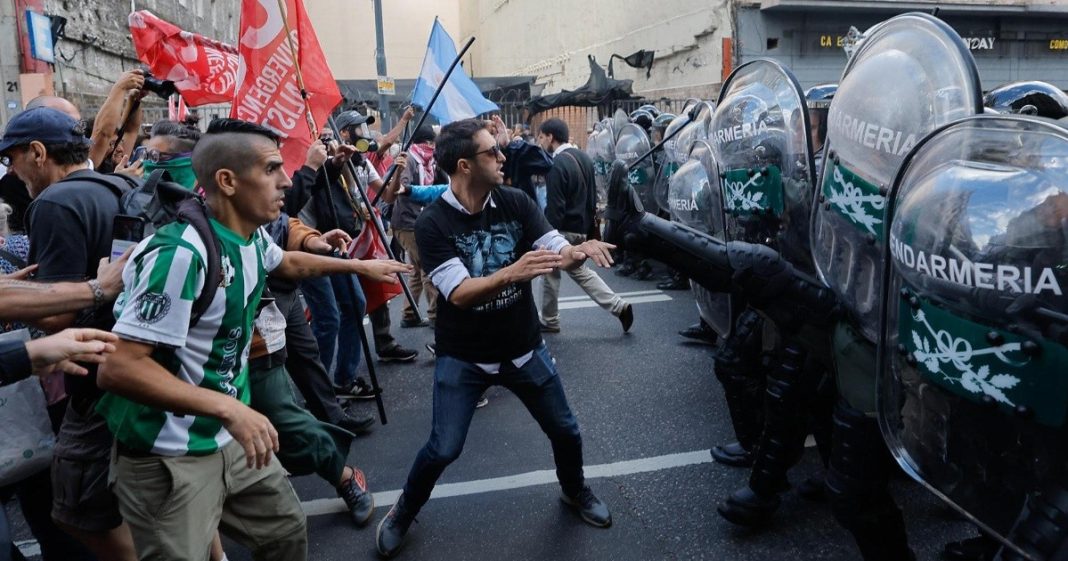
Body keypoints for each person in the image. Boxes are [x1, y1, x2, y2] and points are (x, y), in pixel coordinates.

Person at [96, 118, 410, 560]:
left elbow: (287, 263)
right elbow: (119, 367)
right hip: (166, 455)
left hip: (229, 440)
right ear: (226, 181)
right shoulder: (181, 254)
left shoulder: (250, 236)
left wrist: (359, 267)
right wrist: (230, 409)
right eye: (271, 170)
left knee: (284, 531)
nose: (286, 182)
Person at [375, 118, 616, 559]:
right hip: (464, 357)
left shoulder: (515, 200)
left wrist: (573, 252)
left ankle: (574, 490)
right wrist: (513, 271)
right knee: (444, 447)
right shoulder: (433, 223)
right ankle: (404, 510)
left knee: (566, 431)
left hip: (524, 349)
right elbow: (460, 293)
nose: (503, 157)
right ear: (464, 165)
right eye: (492, 152)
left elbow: (552, 243)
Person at [0, 106, 138, 560]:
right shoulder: (122, 184)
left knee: (74, 508)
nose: (11, 173)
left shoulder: (53, 204)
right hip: (134, 365)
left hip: (85, 378)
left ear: (37, 153)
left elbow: (57, 320)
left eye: (13, 159)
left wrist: (38, 310)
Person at [535, 118, 633, 334]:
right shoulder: (584, 158)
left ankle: (550, 320)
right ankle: (618, 306)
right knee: (580, 272)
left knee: (550, 273)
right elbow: (592, 197)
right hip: (581, 228)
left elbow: (555, 206)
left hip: (561, 230)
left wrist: (549, 233)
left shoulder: (556, 163)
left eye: (541, 137)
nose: (539, 142)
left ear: (550, 137)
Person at [384, 124, 438, 328]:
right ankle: (436, 316)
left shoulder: (427, 161)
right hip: (408, 222)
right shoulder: (411, 161)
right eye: (431, 143)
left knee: (416, 270)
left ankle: (409, 314)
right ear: (425, 143)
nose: (433, 147)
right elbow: (400, 189)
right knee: (428, 268)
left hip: (417, 221)